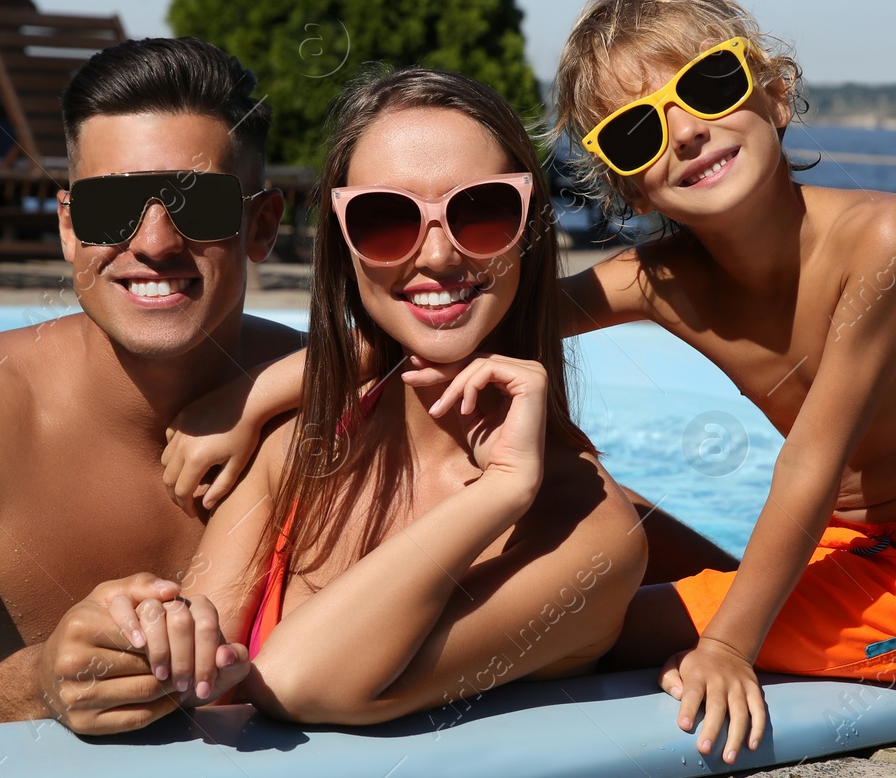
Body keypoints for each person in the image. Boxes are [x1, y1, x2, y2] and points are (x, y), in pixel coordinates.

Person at [161, 0, 896, 765]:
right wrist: (255, 401)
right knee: (602, 565)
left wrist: (725, 646)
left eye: (711, 87)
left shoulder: (884, 240)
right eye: (639, 130)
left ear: (777, 96)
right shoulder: (662, 279)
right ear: (630, 187)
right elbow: (469, 311)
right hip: (837, 547)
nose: (685, 130)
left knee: (594, 618)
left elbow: (811, 465)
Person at [99, 67, 648, 725]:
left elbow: (303, 679)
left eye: (482, 209)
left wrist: (500, 491)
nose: (439, 256)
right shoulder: (297, 448)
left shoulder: (592, 538)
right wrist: (143, 627)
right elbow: (194, 678)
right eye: (385, 219)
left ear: (530, 230)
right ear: (344, 246)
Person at [0, 37, 303, 736]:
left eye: (197, 203)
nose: (155, 241)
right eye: (113, 207)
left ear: (261, 226)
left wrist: (291, 381)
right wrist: (31, 686)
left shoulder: (325, 399)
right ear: (70, 227)